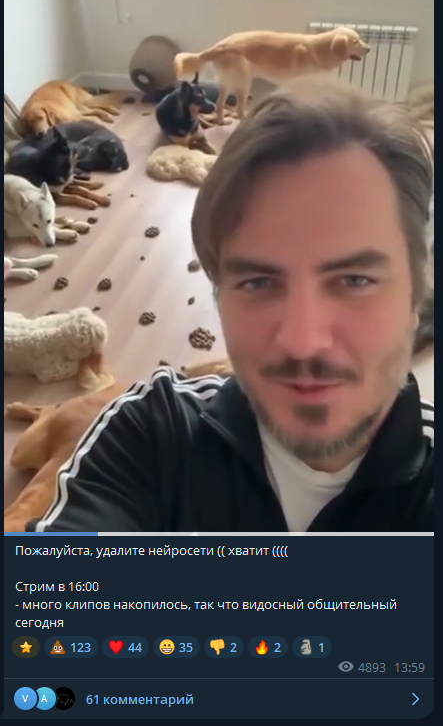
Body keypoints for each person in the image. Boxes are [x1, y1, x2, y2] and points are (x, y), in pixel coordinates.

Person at [27, 78, 434, 533]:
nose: (303, 342)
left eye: (355, 280)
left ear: (416, 297)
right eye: (258, 282)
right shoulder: (147, 436)